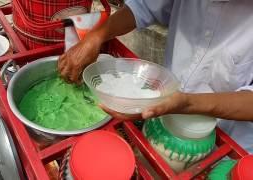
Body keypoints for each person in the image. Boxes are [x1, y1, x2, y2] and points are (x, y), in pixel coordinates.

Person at [58, 0, 253, 152]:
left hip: (227, 142)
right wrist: (96, 36)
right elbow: (142, 7)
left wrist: (187, 104)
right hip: (163, 114)